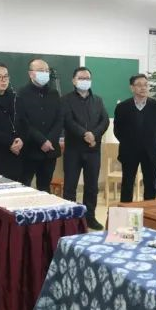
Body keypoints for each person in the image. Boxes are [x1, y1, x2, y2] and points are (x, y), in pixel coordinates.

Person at [61, 67, 108, 230]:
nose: (84, 81)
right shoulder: (65, 99)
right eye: (81, 78)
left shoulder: (98, 100)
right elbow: (68, 121)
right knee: (70, 186)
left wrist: (94, 135)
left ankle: (90, 218)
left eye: (87, 78)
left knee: (92, 187)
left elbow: (104, 121)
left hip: (93, 150)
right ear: (74, 81)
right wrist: (84, 134)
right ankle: (70, 220)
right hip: (73, 150)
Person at [113, 74, 156, 202]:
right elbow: (117, 130)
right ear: (132, 88)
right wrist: (129, 142)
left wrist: (151, 142)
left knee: (150, 185)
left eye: (146, 85)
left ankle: (149, 212)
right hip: (129, 151)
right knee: (127, 184)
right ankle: (125, 211)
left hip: (150, 152)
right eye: (139, 85)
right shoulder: (122, 107)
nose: (143, 88)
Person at [17, 58, 63, 192]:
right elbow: (23, 121)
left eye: (46, 71)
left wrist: (50, 140)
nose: (45, 73)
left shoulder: (54, 94)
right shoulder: (21, 93)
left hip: (50, 151)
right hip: (30, 149)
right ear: (31, 73)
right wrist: (42, 140)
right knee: (24, 185)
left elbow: (59, 119)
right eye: (40, 70)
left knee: (45, 187)